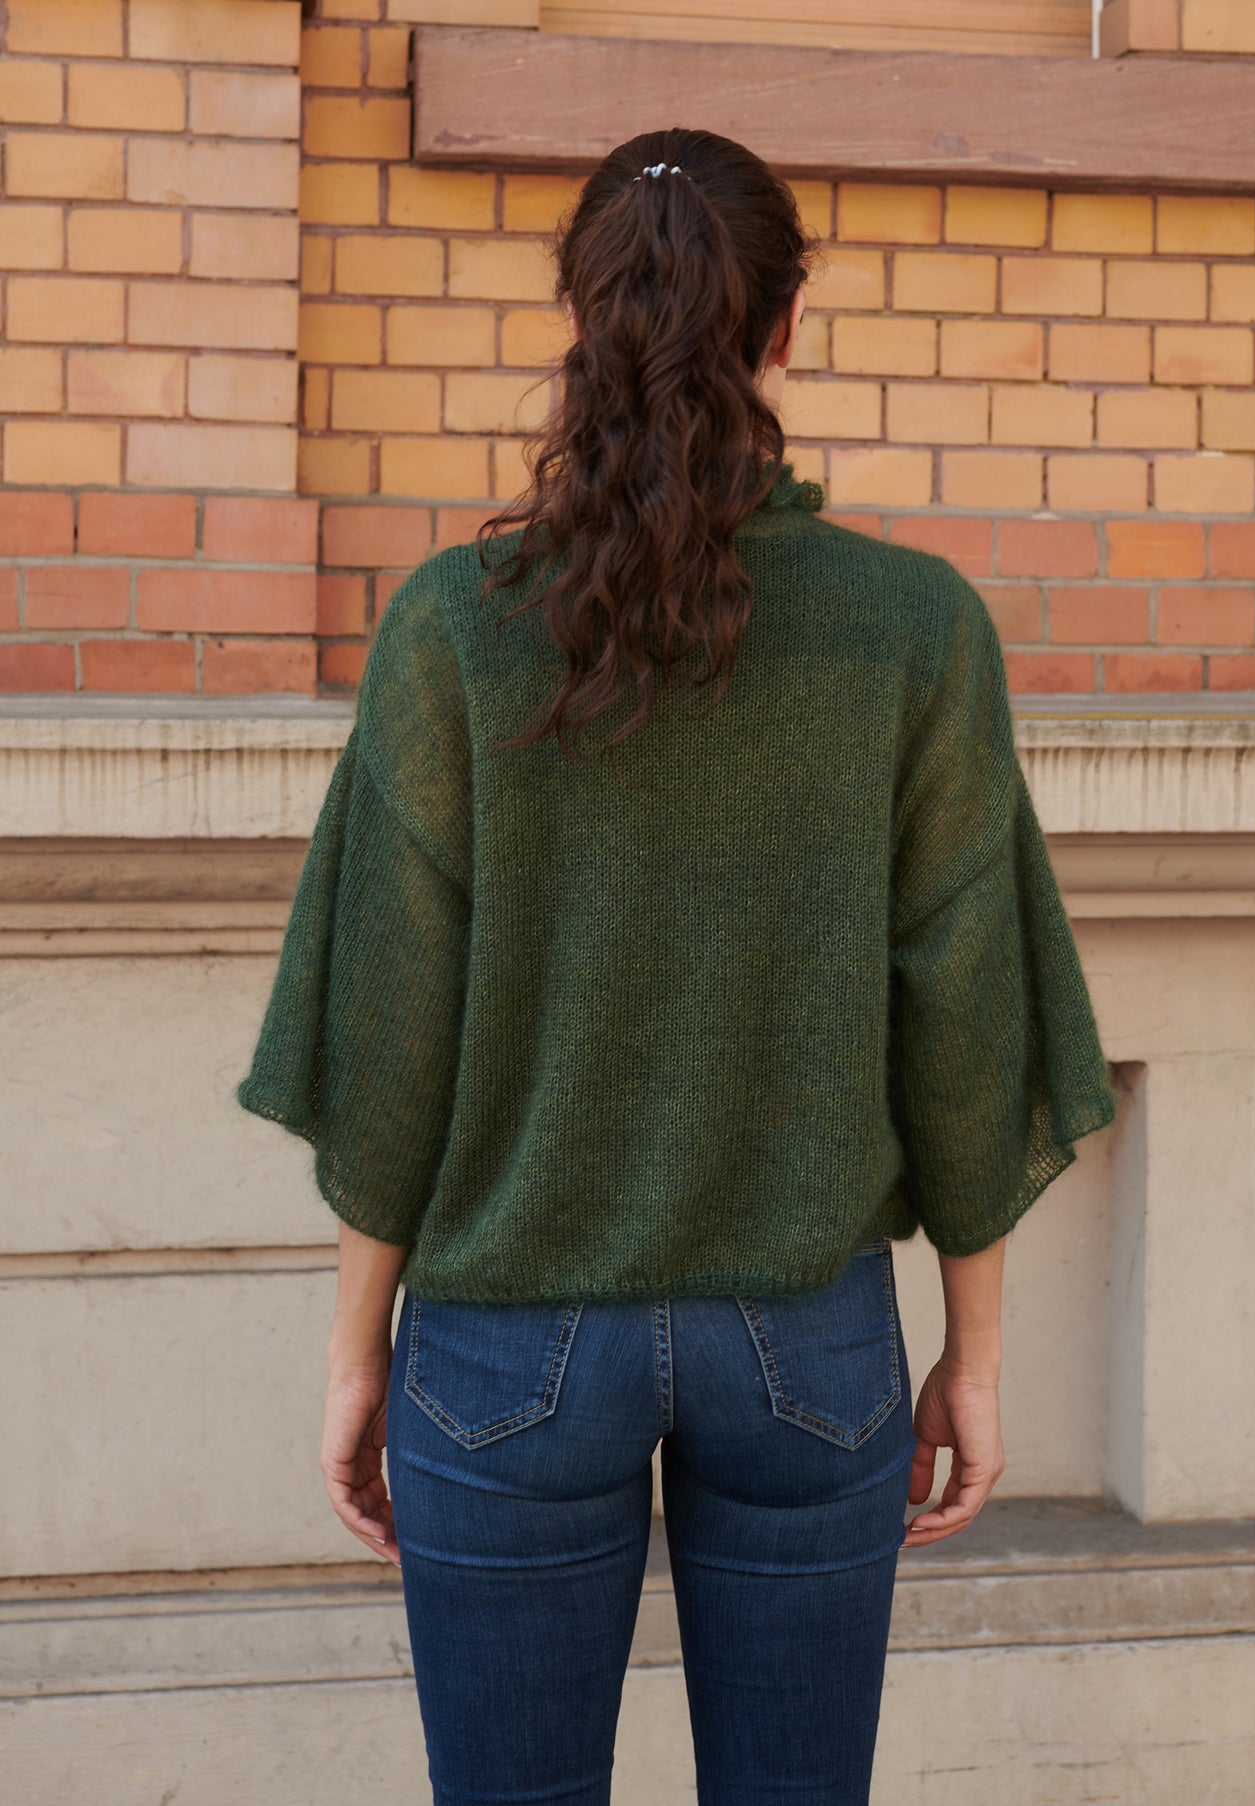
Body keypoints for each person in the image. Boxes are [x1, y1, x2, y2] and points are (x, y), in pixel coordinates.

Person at [236, 127, 1116, 1806]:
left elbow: (389, 1029)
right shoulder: (913, 629)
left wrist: (360, 1350)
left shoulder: (449, 624)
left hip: (504, 1346)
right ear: (783, 332)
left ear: (578, 315)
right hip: (808, 1340)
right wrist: (974, 1355)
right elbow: (965, 1007)